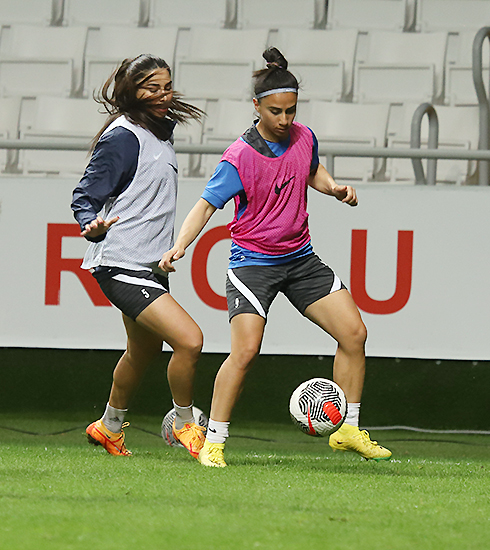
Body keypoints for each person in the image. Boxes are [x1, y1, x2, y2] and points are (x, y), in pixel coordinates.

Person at [160, 48, 391, 468]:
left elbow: (311, 169)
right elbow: (206, 205)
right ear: (256, 106)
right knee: (246, 352)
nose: (285, 119)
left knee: (354, 334)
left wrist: (334, 188)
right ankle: (214, 442)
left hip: (301, 259)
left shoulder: (304, 137)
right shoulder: (239, 157)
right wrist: (181, 244)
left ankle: (348, 430)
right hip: (253, 265)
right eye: (275, 112)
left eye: (291, 110)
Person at [72, 54, 207, 459]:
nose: (163, 95)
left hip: (148, 266)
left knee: (143, 351)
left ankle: (109, 427)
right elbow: (85, 194)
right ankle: (184, 422)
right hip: (120, 263)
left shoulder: (158, 134)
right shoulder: (124, 136)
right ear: (132, 92)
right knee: (190, 340)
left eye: (167, 87)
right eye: (152, 88)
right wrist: (90, 222)